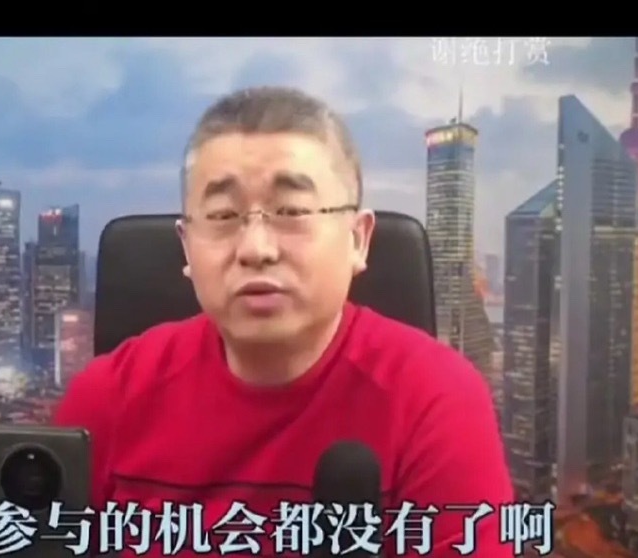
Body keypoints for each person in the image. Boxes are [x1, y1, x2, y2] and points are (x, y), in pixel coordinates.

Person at [55, 86, 516, 556]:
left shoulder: (435, 400)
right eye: (222, 215)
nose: (256, 249)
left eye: (292, 212)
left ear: (358, 240)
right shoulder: (108, 398)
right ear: (187, 246)